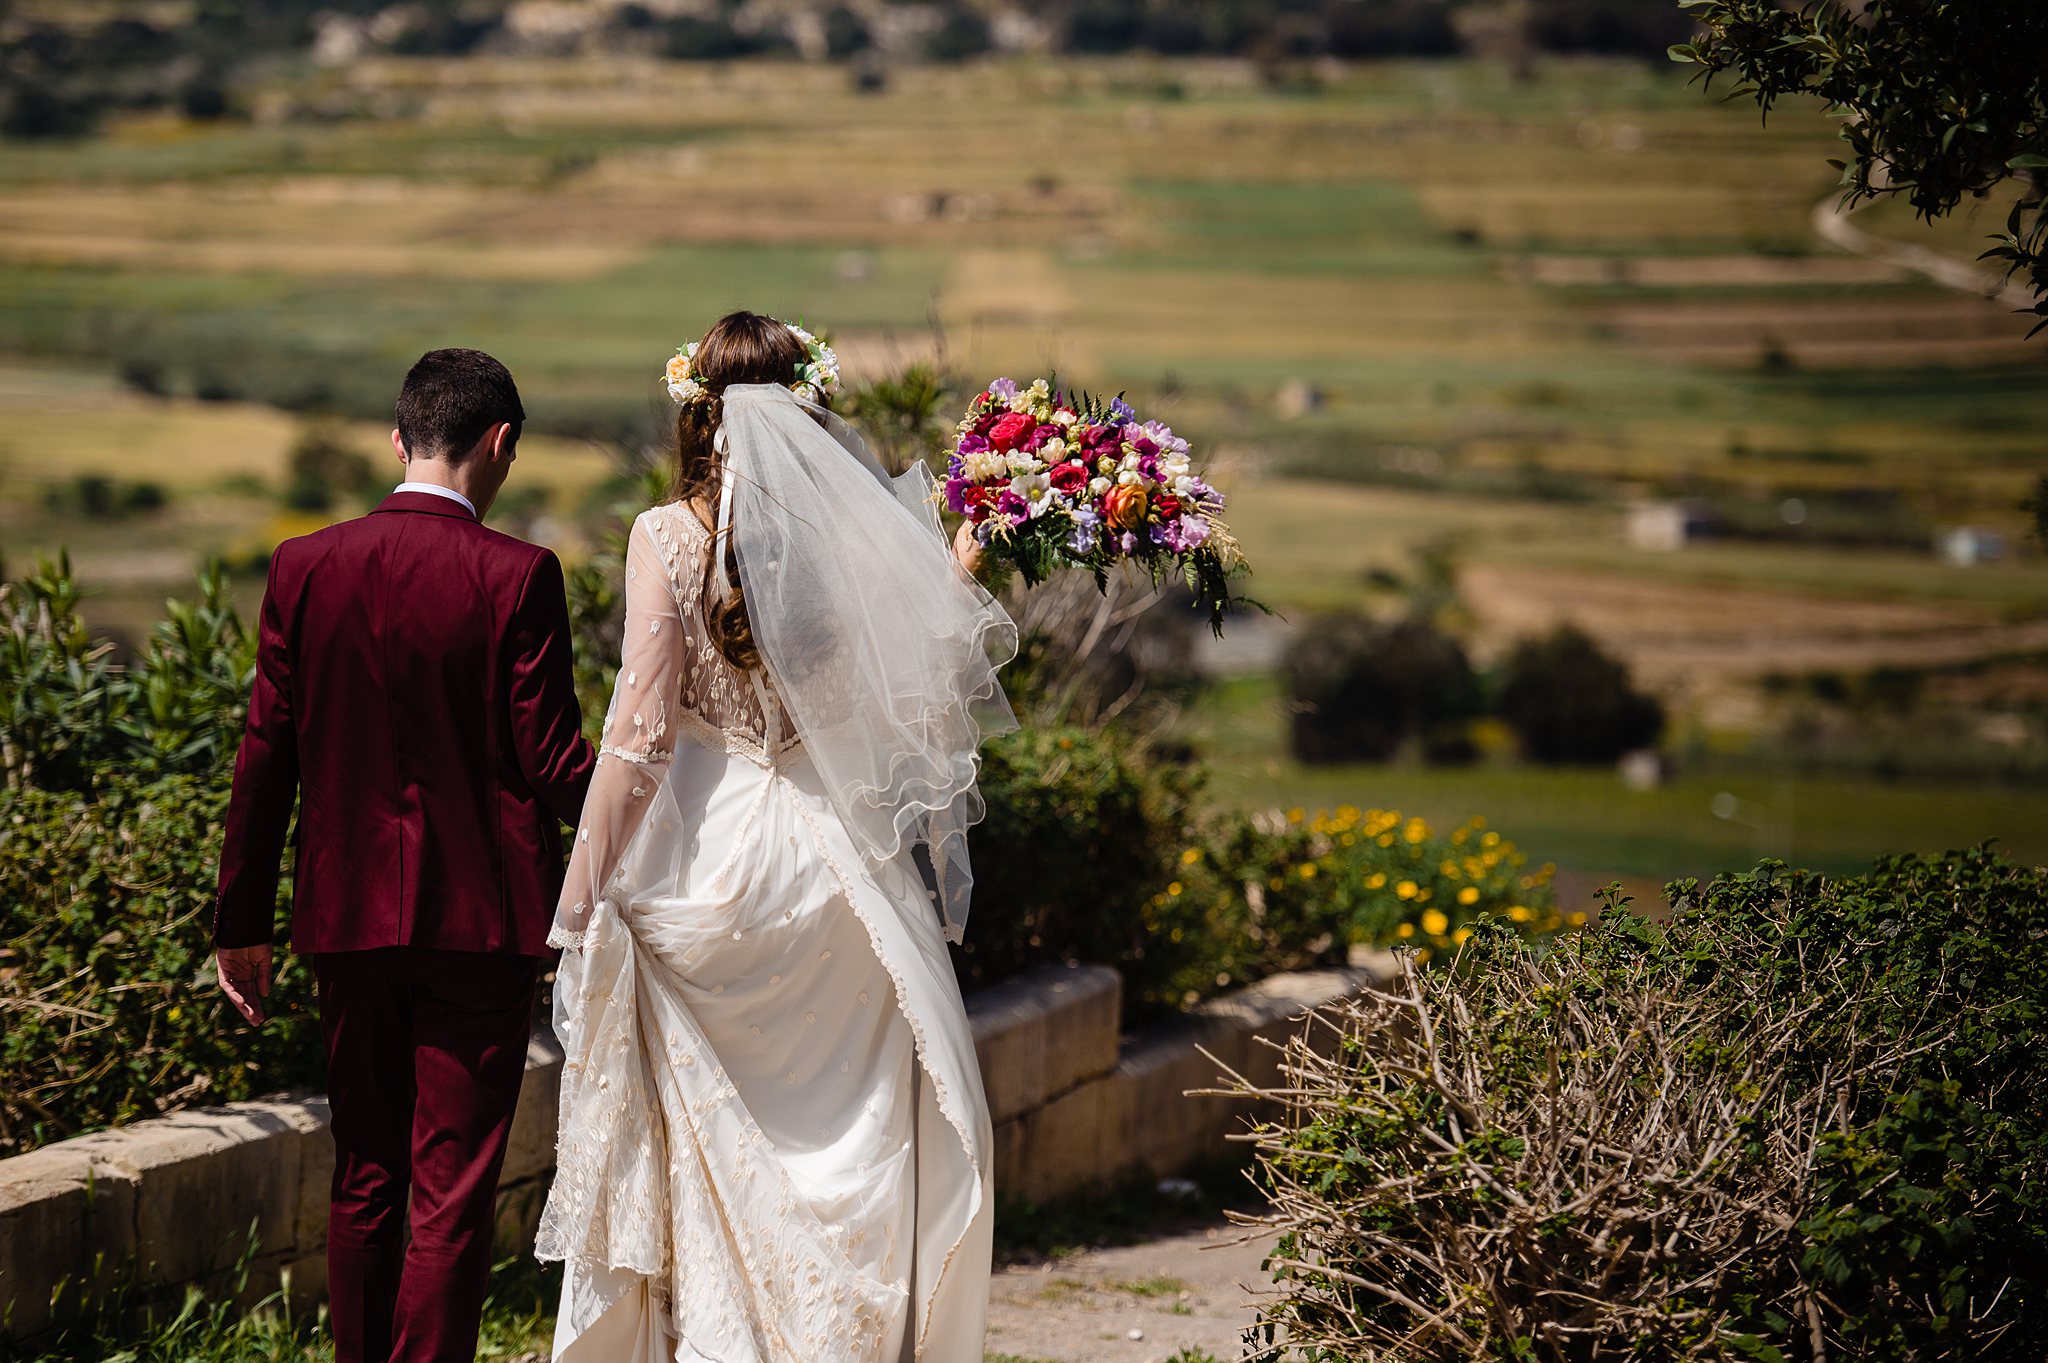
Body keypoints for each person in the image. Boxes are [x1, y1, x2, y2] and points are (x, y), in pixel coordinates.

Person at [538, 312, 1016, 1363]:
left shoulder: (665, 537)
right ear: (811, 410)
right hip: (831, 866)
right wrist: (958, 569)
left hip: (708, 861)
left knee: (716, 1136)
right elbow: (900, 687)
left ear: (695, 415)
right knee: (851, 1133)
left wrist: (578, 895)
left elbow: (637, 739)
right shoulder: (847, 536)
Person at [212, 347, 597, 1363]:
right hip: (482, 926)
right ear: (500, 443)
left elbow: (265, 754)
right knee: (450, 1192)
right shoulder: (519, 575)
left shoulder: (304, 565)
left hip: (345, 920)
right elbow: (557, 765)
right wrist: (674, 794)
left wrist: (240, 924)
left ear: (399, 438)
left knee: (366, 1173)